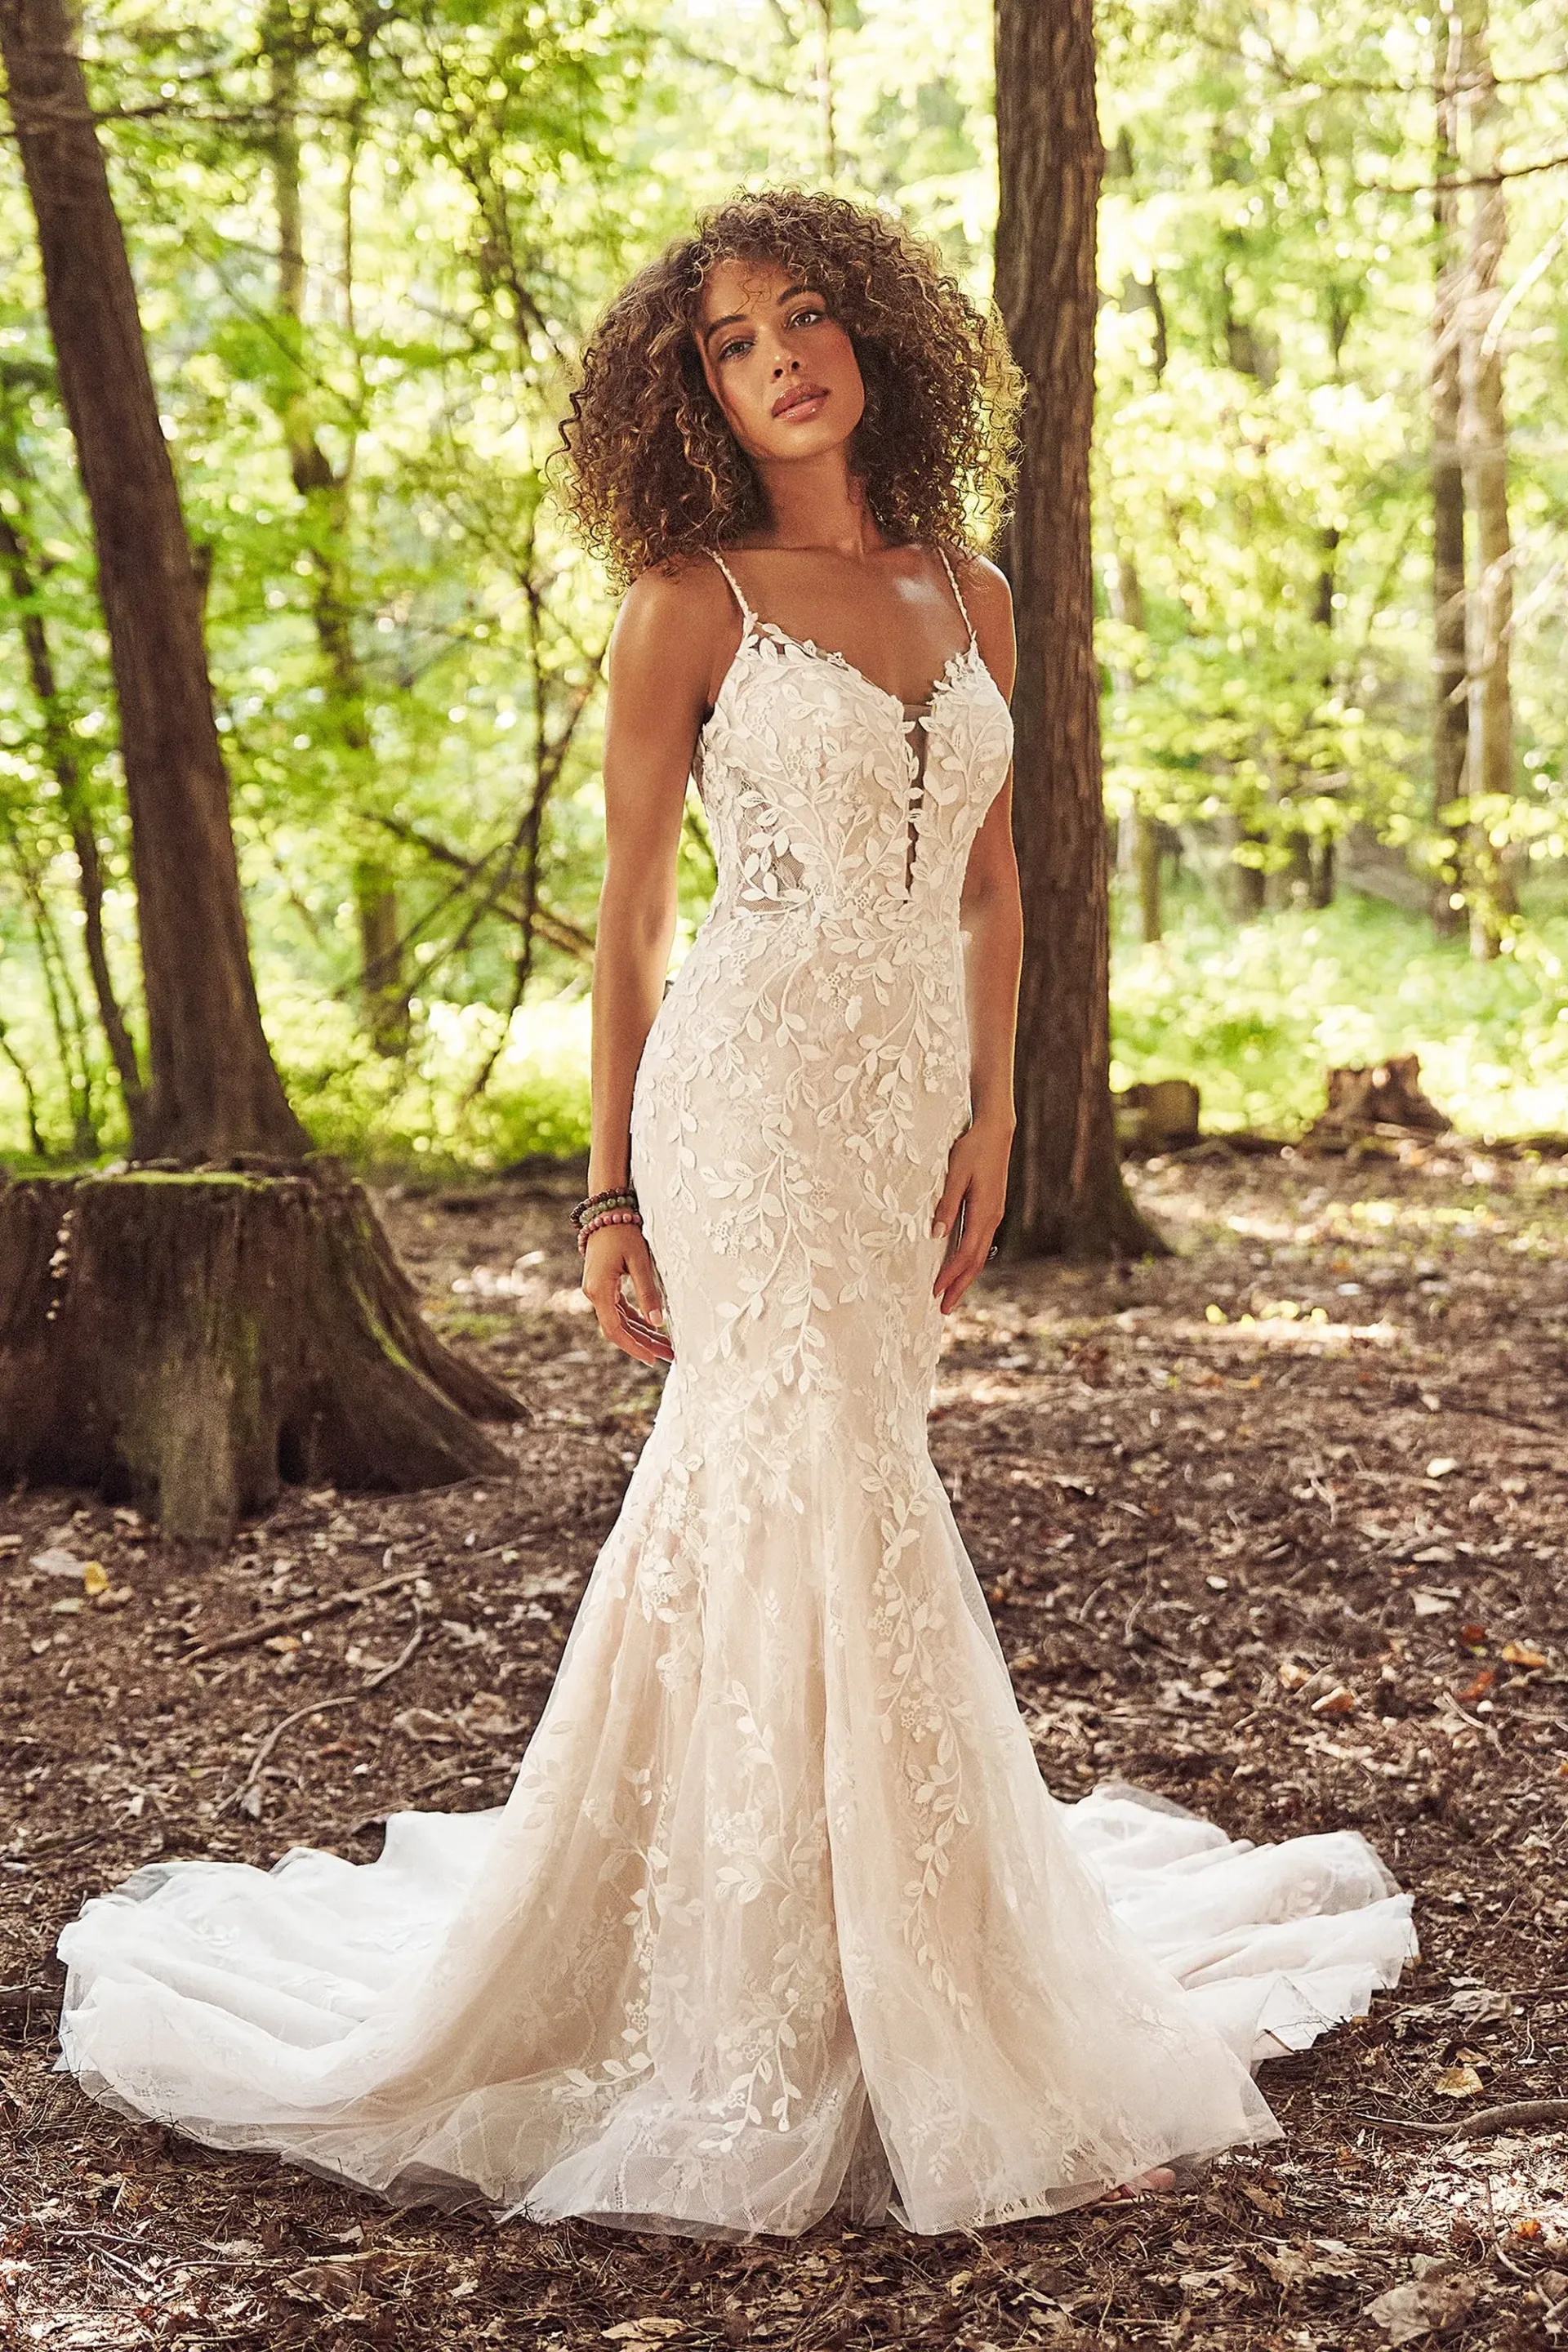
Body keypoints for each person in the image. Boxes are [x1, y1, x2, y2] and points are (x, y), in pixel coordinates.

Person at [55, 189, 1414, 2241]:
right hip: (750, 1088)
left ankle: (882, 1945)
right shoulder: (687, 598)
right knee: (810, 1469)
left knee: (817, 1479)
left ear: (873, 336)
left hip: (901, 1116)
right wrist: (608, 1184)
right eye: (728, 341)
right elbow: (622, 921)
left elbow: (997, 879)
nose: (777, 356)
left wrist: (1000, 1112)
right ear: (691, 390)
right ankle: (819, 1996)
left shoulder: (975, 590)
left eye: (804, 318)